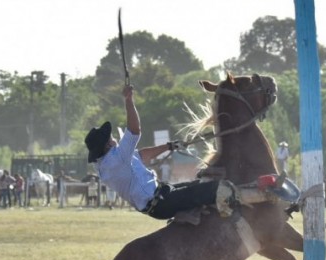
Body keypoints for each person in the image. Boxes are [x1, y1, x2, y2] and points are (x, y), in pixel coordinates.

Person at [85, 84, 241, 220]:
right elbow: (134, 131)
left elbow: (141, 156)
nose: (115, 140)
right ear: (106, 146)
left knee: (202, 183)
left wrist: (169, 146)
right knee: (216, 187)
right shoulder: (116, 159)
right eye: (111, 139)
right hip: (162, 201)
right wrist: (128, 101)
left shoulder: (108, 164)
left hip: (162, 198)